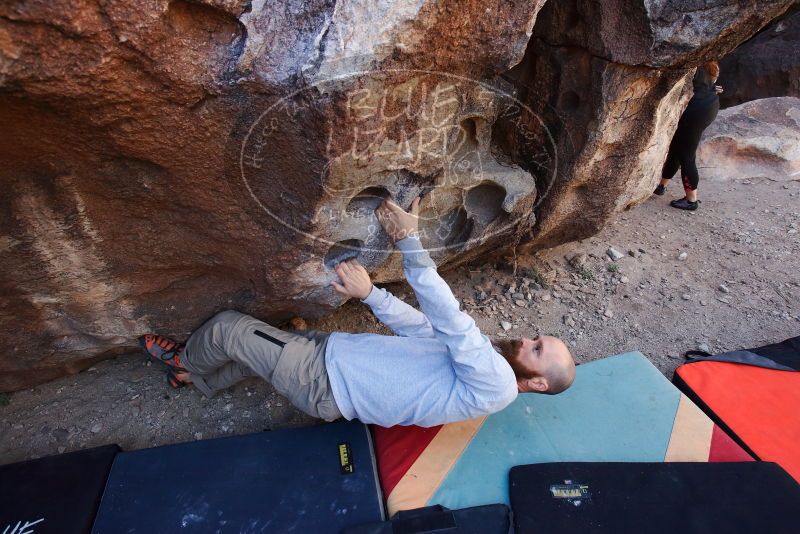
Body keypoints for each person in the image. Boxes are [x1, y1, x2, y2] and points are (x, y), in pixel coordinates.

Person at [139, 197, 576, 427]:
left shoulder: (498, 383)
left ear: (536, 382)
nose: (525, 339)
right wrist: (370, 294)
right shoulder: (487, 370)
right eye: (537, 336)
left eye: (536, 348)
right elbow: (424, 329)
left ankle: (182, 359)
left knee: (228, 331)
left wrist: (409, 239)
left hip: (324, 379)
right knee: (259, 355)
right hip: (336, 360)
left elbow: (449, 318)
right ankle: (200, 381)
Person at [654, 61, 723, 210]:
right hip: (708, 105)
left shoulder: (693, 60)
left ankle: (691, 200)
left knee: (686, 155)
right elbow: (707, 84)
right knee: (677, 147)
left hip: (695, 111)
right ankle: (661, 185)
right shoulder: (710, 63)